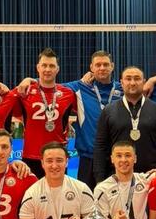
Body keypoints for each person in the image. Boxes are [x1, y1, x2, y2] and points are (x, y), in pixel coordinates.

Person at [15, 50, 122, 190]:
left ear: (112, 66)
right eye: (98, 65)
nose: (102, 68)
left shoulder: (123, 89)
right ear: (91, 67)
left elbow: (140, 89)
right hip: (83, 156)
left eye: (105, 64)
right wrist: (30, 80)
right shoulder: (78, 87)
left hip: (115, 155)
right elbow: (47, 83)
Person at [93, 66, 156, 183]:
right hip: (117, 178)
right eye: (128, 79)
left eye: (137, 79)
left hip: (151, 177)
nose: (133, 83)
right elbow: (101, 146)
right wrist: (100, 179)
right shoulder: (108, 111)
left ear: (144, 82)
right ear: (121, 83)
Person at [15, 48, 77, 178]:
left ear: (57, 69)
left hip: (57, 157)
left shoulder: (68, 94)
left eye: (51, 66)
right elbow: (1, 97)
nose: (47, 69)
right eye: (44, 65)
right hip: (31, 156)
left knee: (58, 190)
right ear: (38, 67)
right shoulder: (25, 90)